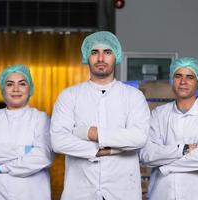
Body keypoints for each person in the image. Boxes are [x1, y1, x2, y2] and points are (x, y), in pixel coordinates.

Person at [50, 31, 150, 200]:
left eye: (107, 52)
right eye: (95, 52)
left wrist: (88, 132)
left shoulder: (133, 96)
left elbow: (139, 137)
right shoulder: (69, 96)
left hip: (122, 189)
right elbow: (58, 141)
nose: (101, 58)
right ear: (86, 57)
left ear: (116, 56)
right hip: (80, 189)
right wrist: (99, 150)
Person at [139, 57, 198, 200]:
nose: (183, 82)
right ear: (172, 80)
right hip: (163, 193)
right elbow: (146, 155)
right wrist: (183, 149)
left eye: (189, 77)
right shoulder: (159, 114)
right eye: (178, 76)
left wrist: (165, 166)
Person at [0, 64, 53, 200]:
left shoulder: (41, 119)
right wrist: (25, 150)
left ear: (30, 88)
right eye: (9, 84)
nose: (16, 89)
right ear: (3, 89)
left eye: (22, 84)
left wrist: (1, 167)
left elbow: (43, 156)